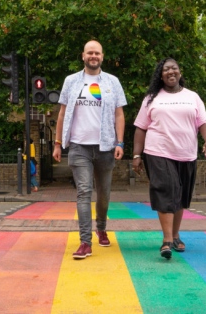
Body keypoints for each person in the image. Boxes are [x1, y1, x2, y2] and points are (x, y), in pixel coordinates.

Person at [132, 58, 206, 260]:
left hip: (186, 153)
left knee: (180, 196)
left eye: (174, 68)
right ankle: (167, 240)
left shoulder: (193, 97)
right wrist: (136, 154)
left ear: (180, 72)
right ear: (160, 75)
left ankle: (176, 235)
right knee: (166, 190)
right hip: (157, 151)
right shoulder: (151, 98)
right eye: (166, 69)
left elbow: (203, 122)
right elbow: (141, 128)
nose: (170, 71)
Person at [53, 40, 127, 260]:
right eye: (89, 53)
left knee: (103, 193)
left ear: (102, 56)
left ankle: (101, 227)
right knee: (83, 191)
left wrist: (120, 142)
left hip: (105, 146)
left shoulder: (112, 82)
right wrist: (58, 143)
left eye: (97, 53)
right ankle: (85, 242)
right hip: (78, 146)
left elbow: (119, 115)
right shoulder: (71, 81)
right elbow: (62, 113)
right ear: (83, 56)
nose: (93, 56)